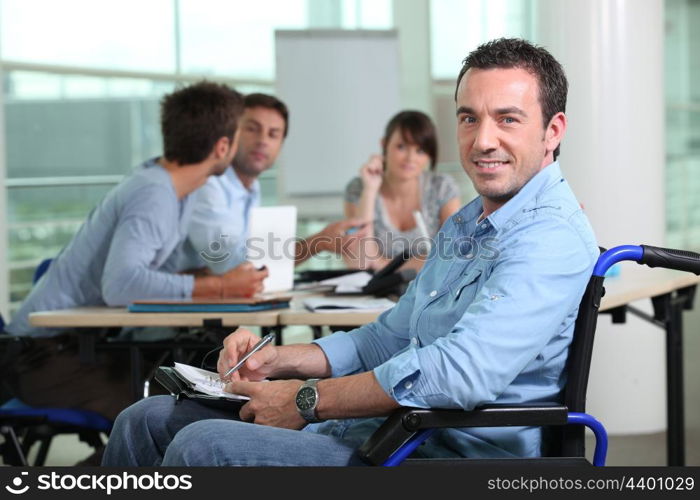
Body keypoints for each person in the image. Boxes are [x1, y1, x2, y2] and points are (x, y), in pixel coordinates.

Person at [103, 38, 599, 466]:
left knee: (200, 445)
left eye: (507, 119)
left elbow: (456, 374)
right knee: (143, 420)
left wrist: (304, 400)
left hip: (442, 453)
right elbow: (386, 338)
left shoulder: (550, 236)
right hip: (387, 431)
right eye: (469, 118)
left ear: (553, 131)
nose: (482, 139)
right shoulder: (469, 221)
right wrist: (278, 361)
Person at [4, 81, 267, 421]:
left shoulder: (176, 189)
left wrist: (203, 278)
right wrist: (218, 287)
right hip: (41, 360)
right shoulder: (154, 193)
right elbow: (121, 284)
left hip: (77, 348)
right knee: (174, 410)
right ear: (221, 147)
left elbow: (143, 275)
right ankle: (89, 476)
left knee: (197, 391)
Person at [175, 93, 363, 276]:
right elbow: (232, 265)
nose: (263, 141)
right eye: (252, 129)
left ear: (281, 145)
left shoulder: (252, 187)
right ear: (231, 133)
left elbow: (252, 262)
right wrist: (317, 242)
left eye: (273, 134)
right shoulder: (208, 183)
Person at [343, 111, 461, 271]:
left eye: (420, 151)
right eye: (401, 147)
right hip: (376, 293)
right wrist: (370, 190)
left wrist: (383, 265)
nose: (410, 158)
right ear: (384, 145)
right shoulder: (359, 188)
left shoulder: (442, 188)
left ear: (429, 156)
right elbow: (360, 262)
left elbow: (452, 255)